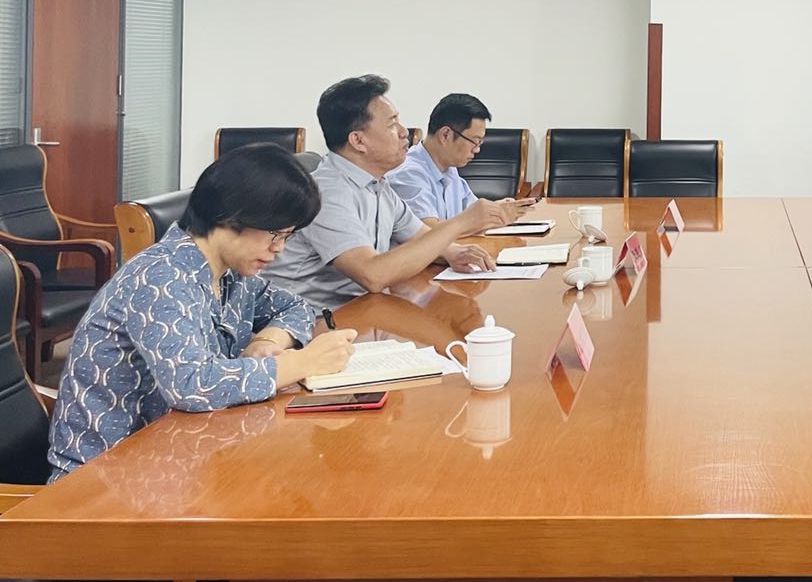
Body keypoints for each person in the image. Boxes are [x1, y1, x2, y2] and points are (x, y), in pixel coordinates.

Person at [47, 144, 358, 479]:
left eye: (287, 236)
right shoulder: (161, 277)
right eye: (274, 234)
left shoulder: (230, 274)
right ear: (231, 216)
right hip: (103, 479)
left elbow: (295, 306)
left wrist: (267, 341)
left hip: (179, 456)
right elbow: (191, 384)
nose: (279, 248)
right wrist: (301, 363)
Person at [273, 75, 527, 309]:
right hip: (306, 322)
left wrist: (454, 252)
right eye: (392, 124)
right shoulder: (327, 193)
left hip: (361, 309)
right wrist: (461, 223)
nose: (404, 132)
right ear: (358, 141)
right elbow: (372, 275)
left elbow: (419, 235)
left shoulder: (378, 185)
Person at [389, 92, 496, 226]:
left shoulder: (450, 169)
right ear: (445, 135)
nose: (476, 150)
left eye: (480, 143)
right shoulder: (408, 174)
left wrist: (500, 212)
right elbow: (430, 231)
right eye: (474, 141)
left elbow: (476, 213)